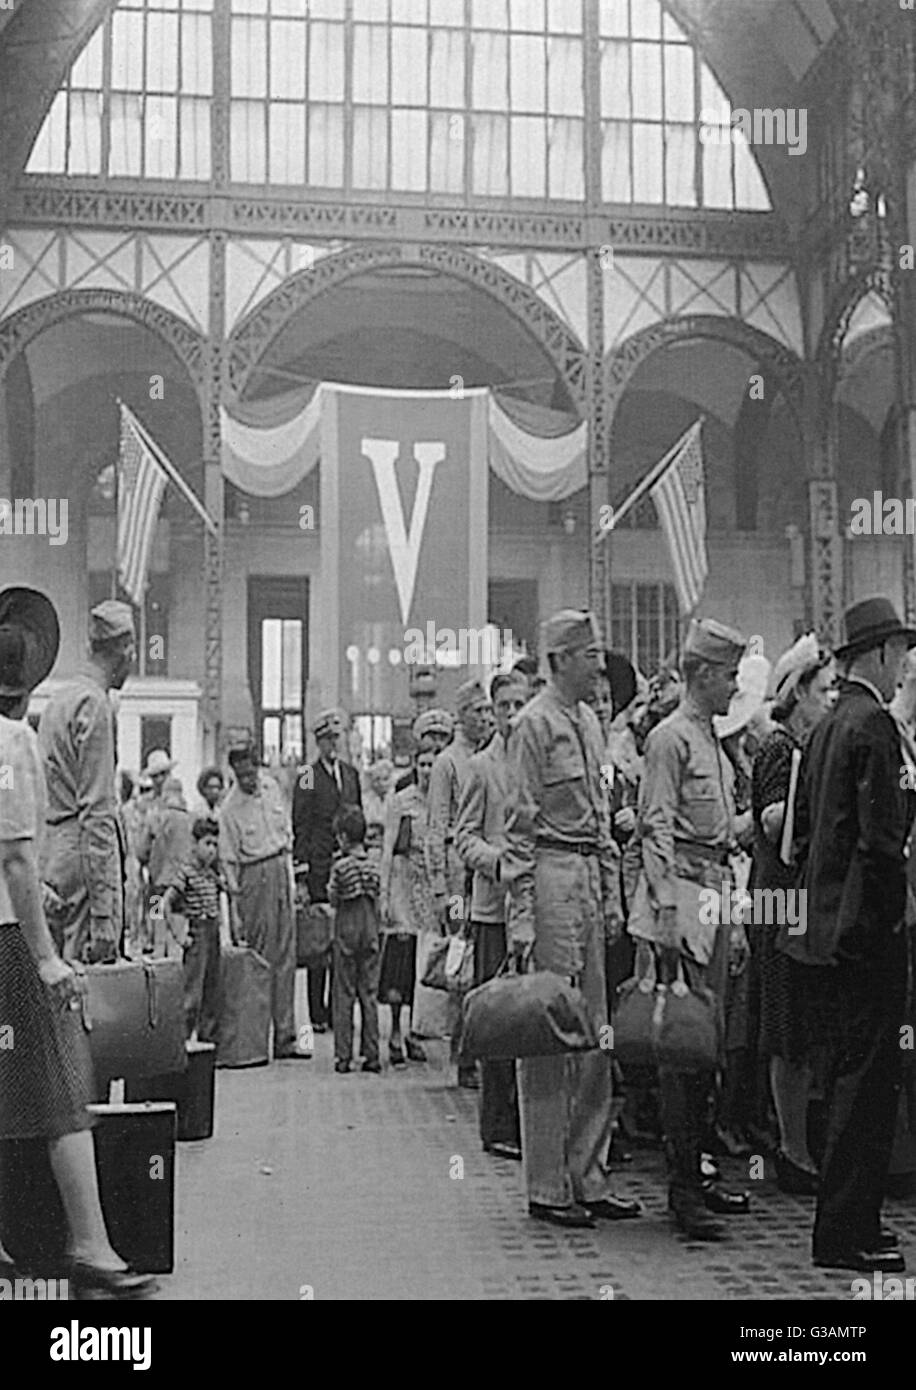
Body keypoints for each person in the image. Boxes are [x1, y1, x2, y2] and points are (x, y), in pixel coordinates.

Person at [0, 586, 155, 1299]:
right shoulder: (36, 730)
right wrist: (97, 922)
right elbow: (88, 820)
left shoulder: (56, 706)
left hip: (35, 891)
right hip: (25, 921)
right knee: (63, 1079)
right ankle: (90, 1243)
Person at [784, 598, 914, 1274]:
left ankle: (851, 1223)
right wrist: (891, 919)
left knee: (842, 1083)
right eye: (901, 655)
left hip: (823, 933)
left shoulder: (828, 726)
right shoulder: (875, 728)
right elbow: (883, 842)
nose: (904, 670)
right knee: (868, 1087)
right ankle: (845, 1233)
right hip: (866, 934)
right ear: (882, 654)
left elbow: (805, 834)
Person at [503, 609, 642, 1229]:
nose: (598, 665)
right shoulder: (531, 727)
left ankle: (590, 1172)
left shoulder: (589, 721)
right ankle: (547, 1184)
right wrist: (522, 920)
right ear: (559, 660)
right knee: (549, 1034)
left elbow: (603, 819)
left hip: (587, 875)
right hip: (552, 878)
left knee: (595, 1034)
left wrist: (612, 896)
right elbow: (517, 832)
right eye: (588, 655)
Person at [630, 618, 751, 1240]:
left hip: (714, 892)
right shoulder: (669, 740)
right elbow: (655, 826)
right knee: (683, 1048)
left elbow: (723, 831)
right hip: (682, 897)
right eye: (729, 674)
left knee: (710, 1045)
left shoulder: (710, 737)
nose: (735, 685)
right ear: (701, 674)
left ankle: (699, 1174)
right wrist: (669, 916)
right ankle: (681, 1191)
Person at [751, 635, 835, 1192]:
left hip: (796, 899)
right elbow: (773, 821)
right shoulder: (780, 749)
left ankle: (799, 1140)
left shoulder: (806, 746)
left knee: (802, 1024)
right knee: (785, 1024)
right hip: (778, 898)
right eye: (824, 690)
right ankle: (791, 1148)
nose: (830, 699)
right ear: (798, 691)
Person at [455, 670, 528, 1161]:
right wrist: (497, 862)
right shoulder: (481, 768)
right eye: (503, 706)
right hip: (493, 913)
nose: (512, 714)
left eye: (520, 703)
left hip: (535, 908)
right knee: (499, 1020)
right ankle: (497, 1123)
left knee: (531, 1018)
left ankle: (529, 1120)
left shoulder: (540, 761)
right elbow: (462, 837)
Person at [39, 600, 135, 964]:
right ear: (126, 650)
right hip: (82, 862)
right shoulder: (95, 705)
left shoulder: (59, 699)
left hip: (53, 857)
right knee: (86, 994)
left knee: (52, 981)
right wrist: (105, 916)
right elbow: (97, 814)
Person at [221, 744, 309, 1061]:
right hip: (253, 876)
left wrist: (295, 879)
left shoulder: (273, 786)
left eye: (251, 772)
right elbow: (228, 861)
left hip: (280, 868)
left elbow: (288, 833)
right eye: (241, 775)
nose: (248, 779)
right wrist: (234, 909)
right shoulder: (229, 808)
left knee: (287, 955)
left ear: (258, 766)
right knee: (260, 961)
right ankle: (256, 1040)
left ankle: (286, 1037)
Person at [428, 677, 491, 1088]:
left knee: (482, 960)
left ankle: (482, 1047)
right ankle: (464, 1053)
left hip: (482, 869)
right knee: (460, 958)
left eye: (489, 711)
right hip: (455, 870)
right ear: (461, 716)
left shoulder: (491, 756)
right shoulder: (447, 764)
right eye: (478, 712)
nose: (485, 718)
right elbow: (436, 827)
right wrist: (439, 887)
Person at [292, 709, 362, 1034]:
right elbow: (300, 824)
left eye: (336, 738)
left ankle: (338, 1010)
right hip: (320, 867)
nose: (332, 744)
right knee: (319, 941)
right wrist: (303, 874)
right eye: (326, 739)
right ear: (317, 741)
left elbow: (356, 819)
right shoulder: (307, 774)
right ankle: (317, 1014)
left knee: (343, 941)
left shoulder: (351, 774)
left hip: (346, 866)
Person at [378, 737, 438, 1065]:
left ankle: (419, 1030)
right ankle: (397, 1031)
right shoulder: (401, 801)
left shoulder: (445, 800)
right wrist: (384, 894)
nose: (427, 770)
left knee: (426, 960)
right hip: (404, 882)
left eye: (433, 764)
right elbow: (388, 848)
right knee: (401, 960)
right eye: (423, 764)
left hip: (433, 886)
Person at [162, 817, 226, 1042]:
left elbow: (228, 894)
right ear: (194, 844)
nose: (211, 850)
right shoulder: (186, 872)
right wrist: (180, 936)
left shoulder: (212, 874)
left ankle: (208, 1041)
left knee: (212, 989)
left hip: (213, 931)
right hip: (197, 932)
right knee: (192, 995)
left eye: (215, 845)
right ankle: (183, 1042)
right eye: (207, 844)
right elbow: (165, 904)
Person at [329, 806, 381, 1075]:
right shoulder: (373, 866)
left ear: (344, 838)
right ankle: (372, 1054)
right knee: (369, 995)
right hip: (370, 930)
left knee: (344, 994)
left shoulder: (341, 868)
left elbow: (333, 898)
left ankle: (343, 1055)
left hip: (347, 930)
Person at [137, 774, 192, 957]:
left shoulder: (155, 817)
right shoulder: (190, 820)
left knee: (157, 920)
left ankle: (159, 952)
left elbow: (141, 851)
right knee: (178, 920)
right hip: (182, 883)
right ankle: (175, 956)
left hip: (158, 882)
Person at [393, 709, 454, 792]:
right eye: (432, 737)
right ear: (420, 739)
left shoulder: (457, 778)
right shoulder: (405, 784)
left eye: (443, 737)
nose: (438, 743)